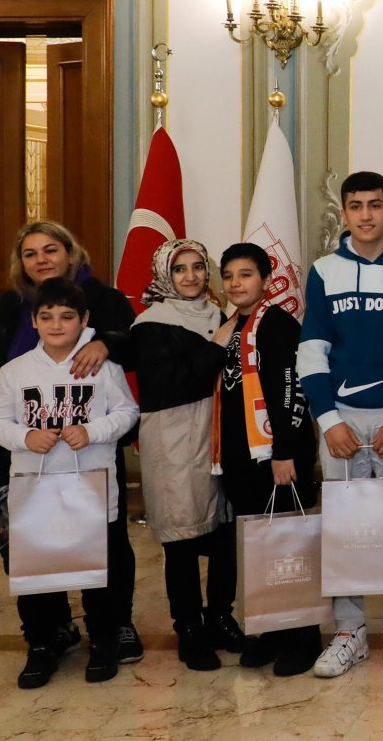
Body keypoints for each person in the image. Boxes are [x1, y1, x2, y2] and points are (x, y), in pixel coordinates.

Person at [0, 220, 143, 665]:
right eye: (31, 253)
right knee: (35, 546)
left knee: (105, 542)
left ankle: (111, 628)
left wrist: (106, 343)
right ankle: (48, 634)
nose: (42, 259)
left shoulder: (102, 300)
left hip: (91, 455)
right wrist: (10, 442)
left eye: (50, 249)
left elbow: (134, 351)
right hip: (30, 458)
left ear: (71, 252)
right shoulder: (8, 308)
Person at [300, 171, 383, 680]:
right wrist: (327, 418)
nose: (365, 215)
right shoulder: (324, 270)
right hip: (339, 420)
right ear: (344, 211)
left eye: (374, 205)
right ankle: (349, 631)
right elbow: (312, 350)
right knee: (344, 525)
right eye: (355, 205)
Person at [213, 242, 321, 677]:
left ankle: (304, 637)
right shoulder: (227, 327)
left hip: (277, 455)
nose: (236, 284)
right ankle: (273, 632)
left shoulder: (277, 325)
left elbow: (290, 392)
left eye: (246, 275)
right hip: (239, 457)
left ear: (265, 280)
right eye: (229, 276)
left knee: (291, 547)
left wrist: (284, 452)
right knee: (260, 546)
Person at [130, 239, 239, 671]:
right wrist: (219, 343)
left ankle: (220, 618)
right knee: (181, 540)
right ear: (164, 276)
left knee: (224, 536)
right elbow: (174, 384)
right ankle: (189, 629)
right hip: (174, 445)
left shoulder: (218, 315)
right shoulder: (151, 323)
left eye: (198, 267)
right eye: (180, 269)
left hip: (218, 440)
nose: (191, 276)